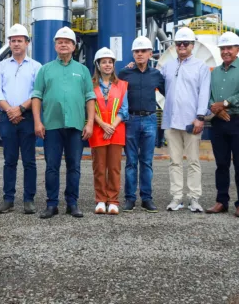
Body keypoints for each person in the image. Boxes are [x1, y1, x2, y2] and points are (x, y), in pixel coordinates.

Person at [31, 27, 95, 219]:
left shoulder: (82, 70)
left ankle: (72, 203)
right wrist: (37, 122)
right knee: (52, 166)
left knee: (74, 165)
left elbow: (89, 98)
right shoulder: (45, 69)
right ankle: (52, 204)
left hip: (76, 126)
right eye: (59, 41)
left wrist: (89, 123)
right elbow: (37, 96)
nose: (63, 44)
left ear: (74, 46)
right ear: (55, 46)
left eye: (67, 41)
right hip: (52, 125)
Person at [159, 27, 210, 213]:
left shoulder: (201, 67)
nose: (182, 46)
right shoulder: (168, 66)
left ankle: (194, 198)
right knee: (174, 162)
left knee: (194, 161)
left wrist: (200, 117)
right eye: (179, 43)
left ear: (192, 45)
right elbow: (162, 87)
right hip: (171, 122)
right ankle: (177, 197)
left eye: (185, 43)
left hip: (192, 123)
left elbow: (204, 93)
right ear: (175, 45)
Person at [205, 32, 239, 218]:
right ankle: (221, 201)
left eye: (229, 48)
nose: (226, 52)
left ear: (237, 49)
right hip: (219, 122)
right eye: (223, 48)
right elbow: (208, 95)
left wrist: (224, 103)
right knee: (221, 164)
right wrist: (216, 109)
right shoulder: (215, 72)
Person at [0, 24, 41, 214]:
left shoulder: (36, 67)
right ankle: (8, 199)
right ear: (9, 44)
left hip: (27, 117)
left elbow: (37, 92)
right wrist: (10, 111)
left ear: (27, 43)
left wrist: (20, 109)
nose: (16, 43)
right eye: (13, 40)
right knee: (9, 160)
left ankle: (29, 199)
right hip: (7, 118)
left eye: (20, 40)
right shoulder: (1, 67)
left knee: (29, 161)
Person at [118, 36, 166, 213]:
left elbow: (170, 92)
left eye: (143, 51)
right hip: (130, 120)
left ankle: (147, 198)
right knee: (131, 161)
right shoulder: (124, 74)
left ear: (150, 53)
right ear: (133, 54)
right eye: (136, 51)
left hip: (150, 120)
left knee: (146, 162)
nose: (139, 54)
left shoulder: (156, 75)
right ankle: (130, 198)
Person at [90, 48, 129, 215]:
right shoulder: (90, 85)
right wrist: (103, 125)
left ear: (114, 65)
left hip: (116, 130)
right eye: (104, 62)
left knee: (114, 168)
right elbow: (89, 108)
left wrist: (111, 126)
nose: (107, 65)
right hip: (99, 130)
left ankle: (113, 200)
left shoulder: (122, 85)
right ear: (98, 65)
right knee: (99, 167)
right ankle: (100, 200)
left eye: (110, 62)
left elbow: (124, 109)